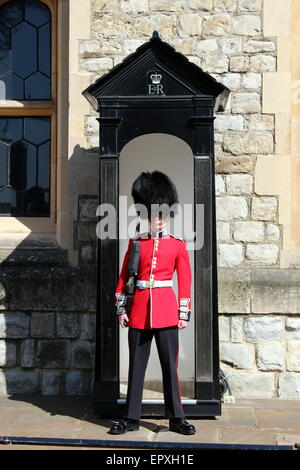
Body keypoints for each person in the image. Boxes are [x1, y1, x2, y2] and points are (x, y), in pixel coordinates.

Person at [108, 171, 195, 436]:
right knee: (137, 367)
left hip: (167, 312)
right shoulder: (136, 244)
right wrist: (121, 309)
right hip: (138, 312)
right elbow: (124, 278)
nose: (156, 220)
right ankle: (131, 417)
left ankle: (176, 417)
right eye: (152, 215)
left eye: (161, 215)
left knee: (170, 367)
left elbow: (185, 281)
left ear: (167, 215)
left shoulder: (178, 246)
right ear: (146, 215)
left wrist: (183, 312)